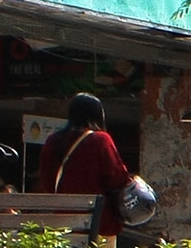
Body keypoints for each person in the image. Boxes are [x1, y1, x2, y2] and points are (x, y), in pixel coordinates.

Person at [38, 93, 132, 239]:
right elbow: (118, 179)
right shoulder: (101, 140)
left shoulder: (52, 141)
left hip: (64, 224)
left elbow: (47, 182)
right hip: (99, 224)